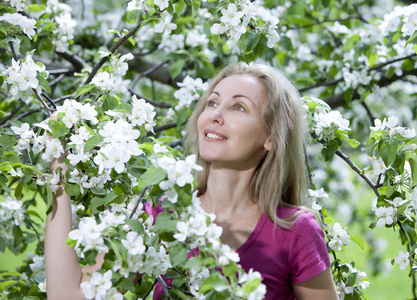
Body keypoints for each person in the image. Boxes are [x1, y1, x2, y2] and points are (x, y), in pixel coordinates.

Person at [45, 62, 339, 300]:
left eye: (238, 107)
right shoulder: (159, 215)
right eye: (212, 103)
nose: (215, 115)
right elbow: (69, 295)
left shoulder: (294, 231)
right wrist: (59, 170)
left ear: (270, 138)